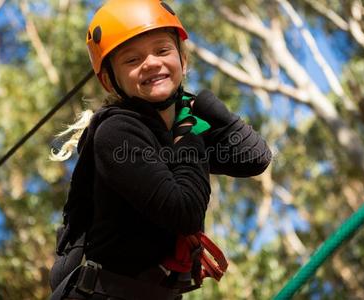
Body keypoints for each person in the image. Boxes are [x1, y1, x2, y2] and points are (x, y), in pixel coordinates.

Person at [49, 0, 272, 299]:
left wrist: (211, 111)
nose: (151, 62)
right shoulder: (117, 132)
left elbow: (255, 158)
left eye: (162, 50)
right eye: (132, 60)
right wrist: (189, 134)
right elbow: (184, 212)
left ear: (183, 59)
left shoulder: (179, 129)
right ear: (109, 80)